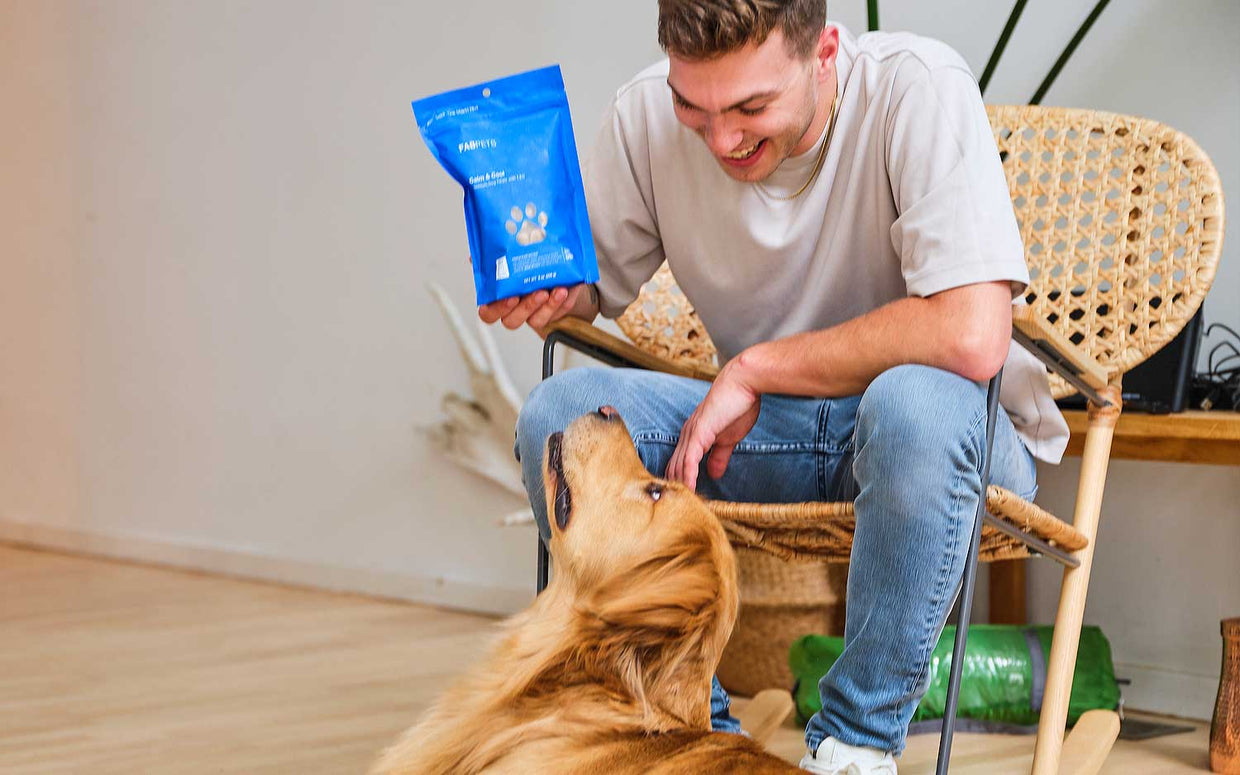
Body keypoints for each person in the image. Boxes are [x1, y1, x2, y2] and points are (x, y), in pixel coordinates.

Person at [482, 2, 1069, 772]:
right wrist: (548, 289)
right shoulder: (643, 119)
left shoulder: (915, 90)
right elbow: (594, 288)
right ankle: (698, 731)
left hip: (945, 439)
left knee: (911, 405)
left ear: (824, 52)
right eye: (694, 106)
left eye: (751, 107)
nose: (721, 138)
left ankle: (854, 748)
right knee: (562, 417)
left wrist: (756, 367)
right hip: (769, 438)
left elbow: (970, 333)